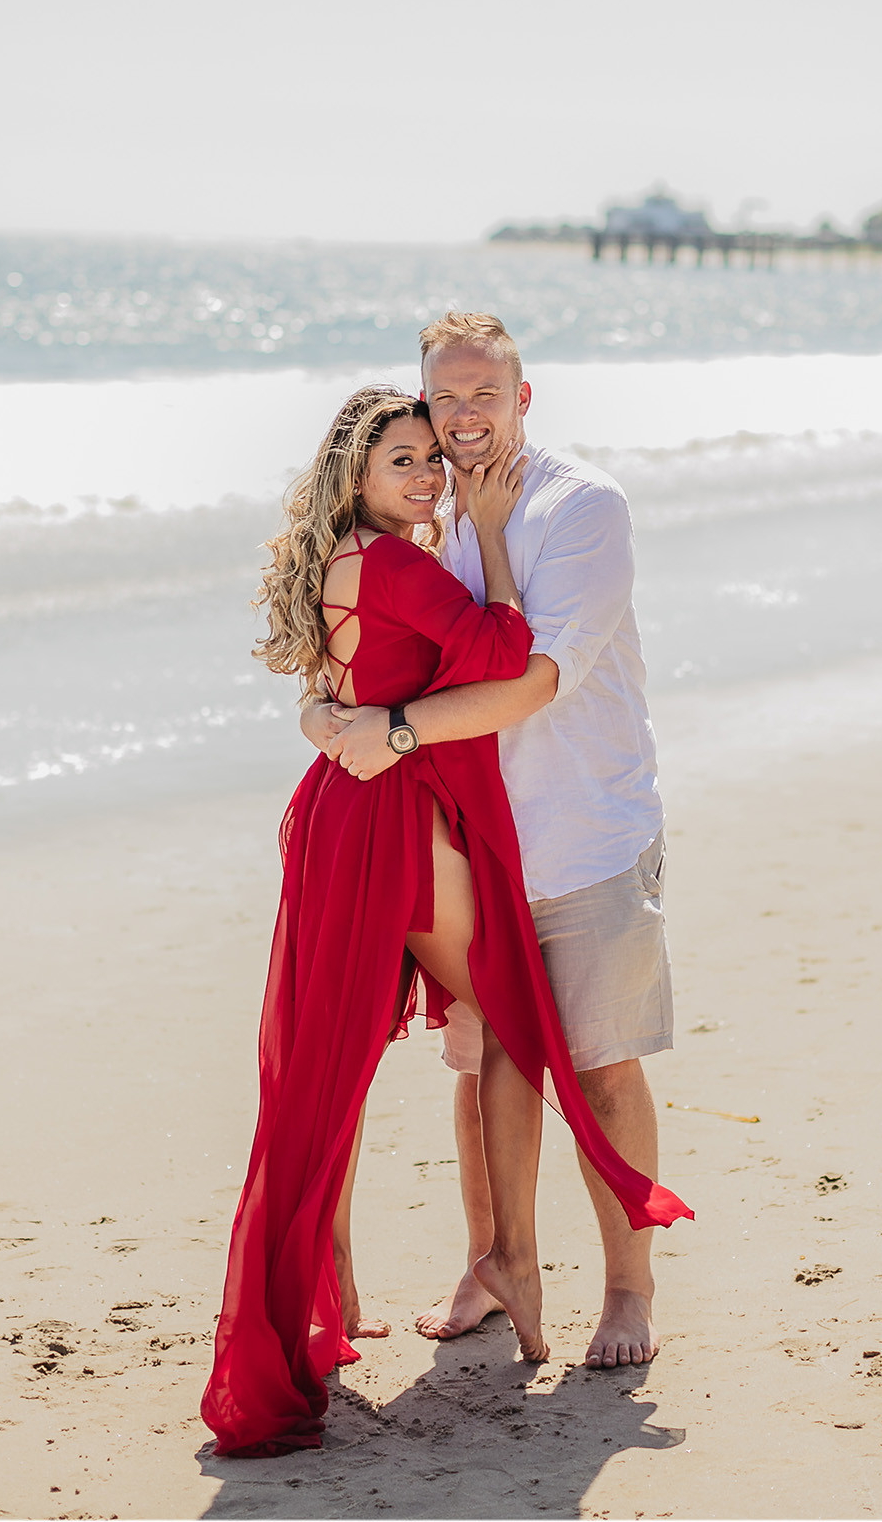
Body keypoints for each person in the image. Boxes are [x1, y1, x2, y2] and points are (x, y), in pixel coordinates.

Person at [201, 385, 688, 1460]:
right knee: (511, 1015)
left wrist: (335, 716)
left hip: (342, 811)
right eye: (402, 463)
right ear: (354, 478)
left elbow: (340, 687)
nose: (426, 476)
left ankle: (343, 1288)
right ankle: (509, 1258)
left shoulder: (345, 558)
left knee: (324, 1058)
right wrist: (503, 551)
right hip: (391, 826)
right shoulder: (401, 562)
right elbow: (505, 647)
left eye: (431, 458)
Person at [313, 311, 676, 1370]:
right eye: (445, 399)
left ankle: (626, 1288)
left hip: (587, 830)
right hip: (474, 849)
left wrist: (384, 734)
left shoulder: (580, 507)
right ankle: (490, 1262)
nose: (463, 417)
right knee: (479, 1067)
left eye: (484, 394)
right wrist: (326, 715)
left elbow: (534, 682)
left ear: (524, 399)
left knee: (601, 1071)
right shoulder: (432, 515)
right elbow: (375, 646)